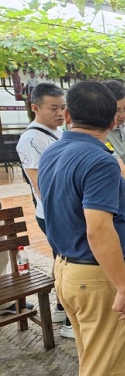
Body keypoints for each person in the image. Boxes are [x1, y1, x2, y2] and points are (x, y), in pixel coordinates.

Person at [38, 81, 125, 376]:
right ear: (113, 122)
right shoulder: (100, 160)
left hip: (66, 271)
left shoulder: (52, 153)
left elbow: (74, 193)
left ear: (67, 116)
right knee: (103, 374)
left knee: (91, 359)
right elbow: (99, 230)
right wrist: (124, 286)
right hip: (97, 278)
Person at [16, 83, 71, 336]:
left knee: (62, 261)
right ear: (35, 107)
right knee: (69, 263)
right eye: (53, 108)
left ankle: (61, 308)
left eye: (62, 107)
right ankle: (71, 321)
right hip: (53, 214)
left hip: (63, 211)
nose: (60, 113)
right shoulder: (30, 139)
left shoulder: (59, 132)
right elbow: (41, 186)